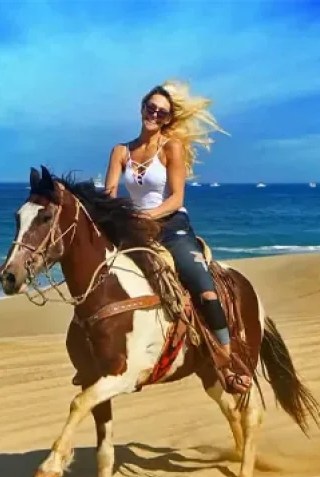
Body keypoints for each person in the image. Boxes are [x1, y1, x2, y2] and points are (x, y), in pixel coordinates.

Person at [102, 79, 252, 394]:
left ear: (168, 119)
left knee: (202, 284)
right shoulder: (120, 151)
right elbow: (109, 195)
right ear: (142, 107)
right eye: (150, 108)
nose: (154, 114)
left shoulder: (171, 148)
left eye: (161, 112)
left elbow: (175, 198)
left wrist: (143, 216)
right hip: (132, 230)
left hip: (171, 226)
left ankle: (227, 357)